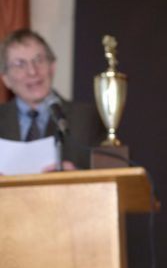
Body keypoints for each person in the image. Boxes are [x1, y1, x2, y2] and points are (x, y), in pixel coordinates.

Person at [0, 28, 105, 172]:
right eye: (20, 64)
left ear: (53, 67)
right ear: (6, 79)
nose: (32, 71)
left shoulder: (85, 118)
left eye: (39, 60)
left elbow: (108, 178)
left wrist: (77, 177)